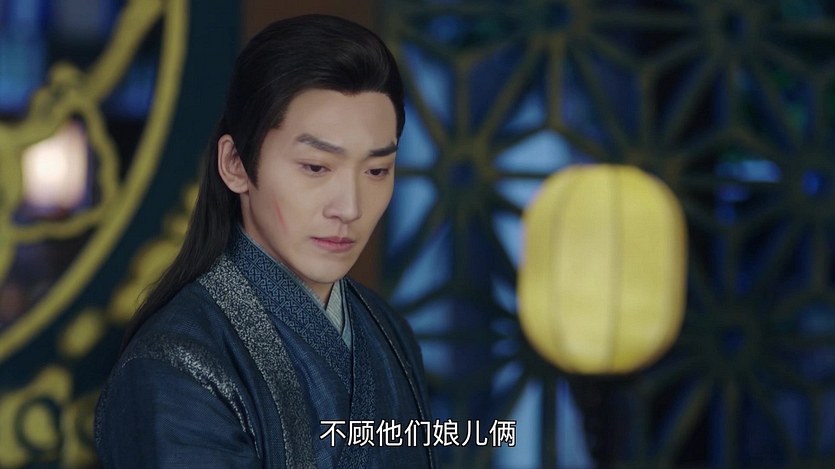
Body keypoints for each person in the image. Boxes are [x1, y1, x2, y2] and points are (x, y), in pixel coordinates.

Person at [95, 14, 435, 468]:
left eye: (376, 171)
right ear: (236, 164)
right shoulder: (174, 367)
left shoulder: (389, 333)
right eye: (316, 167)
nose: (350, 207)